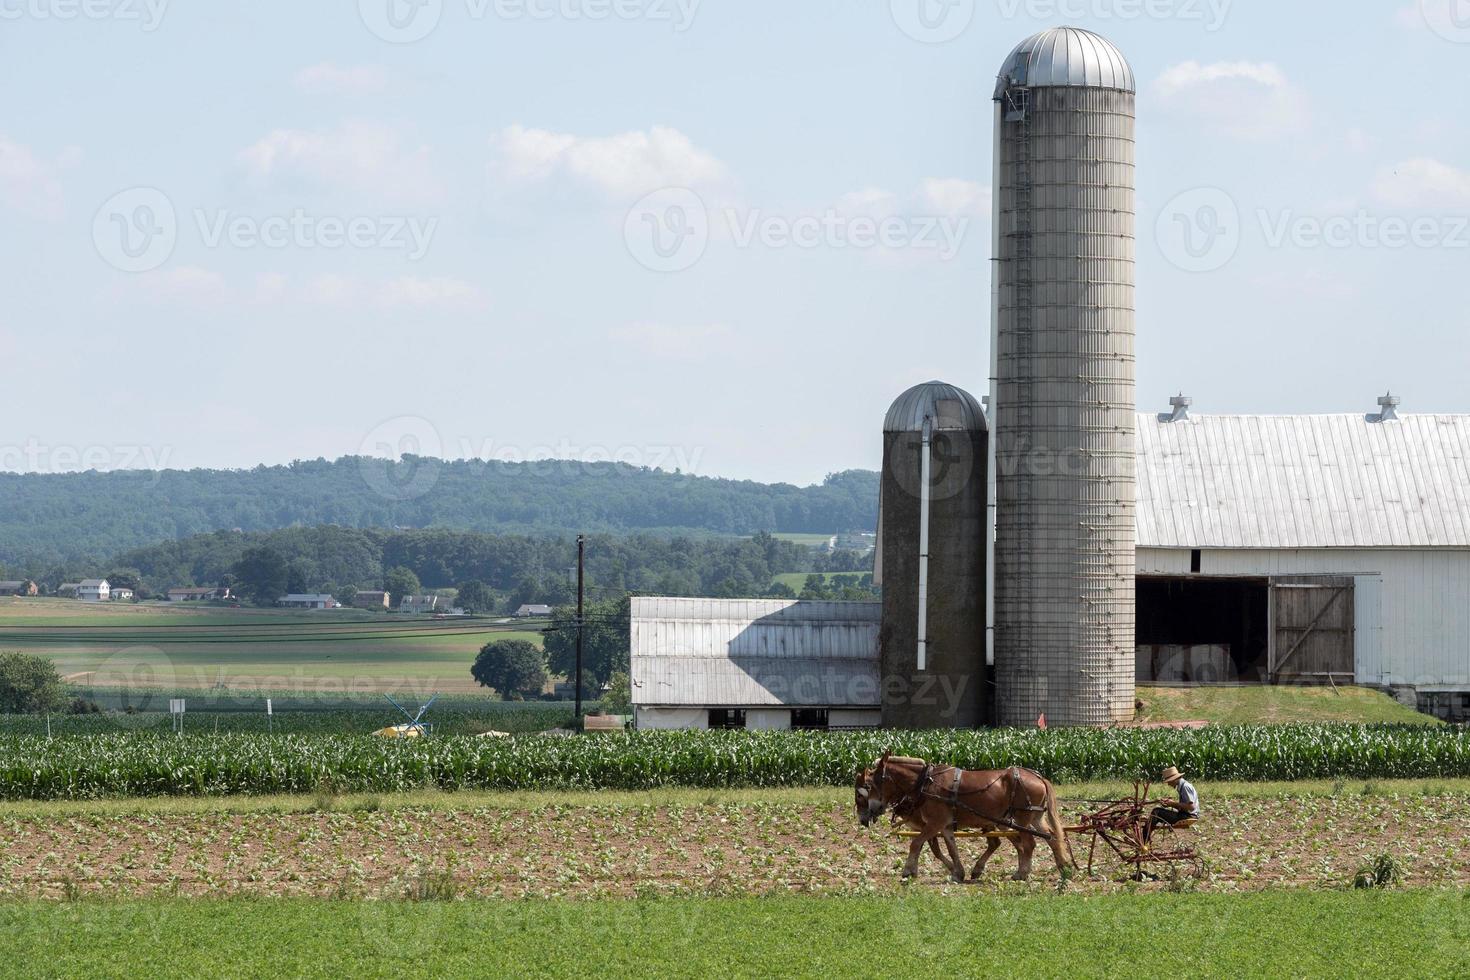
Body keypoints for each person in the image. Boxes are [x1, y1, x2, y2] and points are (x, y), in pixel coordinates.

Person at [1147, 766, 1199, 841]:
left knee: (1156, 812)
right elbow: (1184, 806)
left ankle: (1144, 839)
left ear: (1174, 779)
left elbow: (1191, 807)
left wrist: (1173, 804)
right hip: (1185, 814)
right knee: (1156, 814)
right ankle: (1146, 835)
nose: (1168, 784)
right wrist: (1170, 804)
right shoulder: (1182, 786)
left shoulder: (1185, 787)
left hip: (1188, 816)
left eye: (1169, 781)